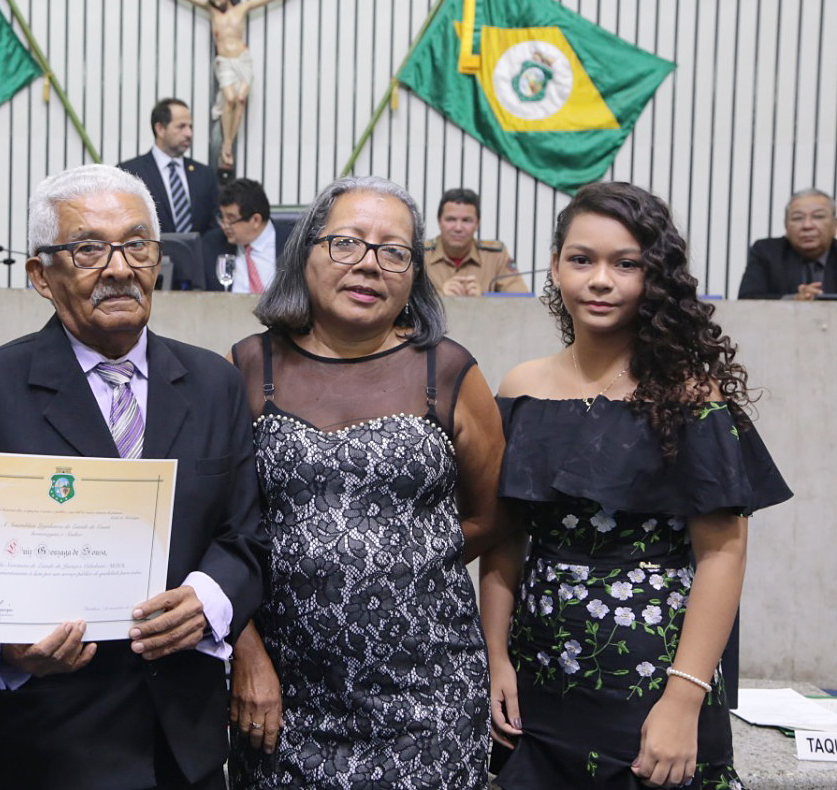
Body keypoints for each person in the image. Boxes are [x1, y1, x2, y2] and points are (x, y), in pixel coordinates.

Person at [0, 163, 266, 789]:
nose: (119, 268)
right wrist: (6, 651)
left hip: (183, 747)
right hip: (47, 744)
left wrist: (207, 600)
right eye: (89, 249)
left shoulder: (214, 383)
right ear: (41, 275)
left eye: (137, 245)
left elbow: (245, 534)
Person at [481, 182, 791, 789]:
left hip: (656, 678)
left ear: (655, 276)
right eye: (582, 259)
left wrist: (683, 701)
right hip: (537, 675)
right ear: (555, 266)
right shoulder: (520, 386)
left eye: (625, 264)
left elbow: (722, 554)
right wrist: (495, 657)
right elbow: (505, 539)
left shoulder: (690, 394)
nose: (600, 280)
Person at [226, 176, 507, 788]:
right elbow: (212, 528)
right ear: (306, 252)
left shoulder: (448, 372)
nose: (370, 264)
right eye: (347, 242)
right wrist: (245, 652)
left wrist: (400, 565)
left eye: (394, 251)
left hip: (429, 697)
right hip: (280, 695)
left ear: (413, 275)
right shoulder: (247, 367)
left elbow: (494, 515)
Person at [140, 0, 316, 170]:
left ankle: (229, 143)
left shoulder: (242, 9)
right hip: (224, 61)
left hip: (242, 59)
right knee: (229, 99)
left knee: (240, 99)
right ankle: (226, 144)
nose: (215, 1)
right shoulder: (211, 11)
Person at [120, 97, 220, 234]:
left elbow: (215, 226)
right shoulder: (130, 173)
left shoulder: (205, 174)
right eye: (181, 126)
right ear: (160, 129)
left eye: (190, 127)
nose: (189, 133)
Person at [424, 188, 527, 296]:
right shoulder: (421, 255)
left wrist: (483, 299)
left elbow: (521, 299)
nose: (458, 228)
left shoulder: (496, 257)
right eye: (451, 219)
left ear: (477, 224)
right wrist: (440, 297)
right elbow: (411, 299)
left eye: (466, 220)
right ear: (439, 221)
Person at [737, 188, 837, 299]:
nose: (807, 225)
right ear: (786, 226)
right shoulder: (767, 252)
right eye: (797, 218)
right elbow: (747, 298)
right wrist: (793, 300)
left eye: (818, 216)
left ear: (835, 225)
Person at [201, 177, 291, 292]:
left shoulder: (294, 242)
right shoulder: (211, 244)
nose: (224, 226)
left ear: (255, 220)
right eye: (222, 217)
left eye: (231, 219)